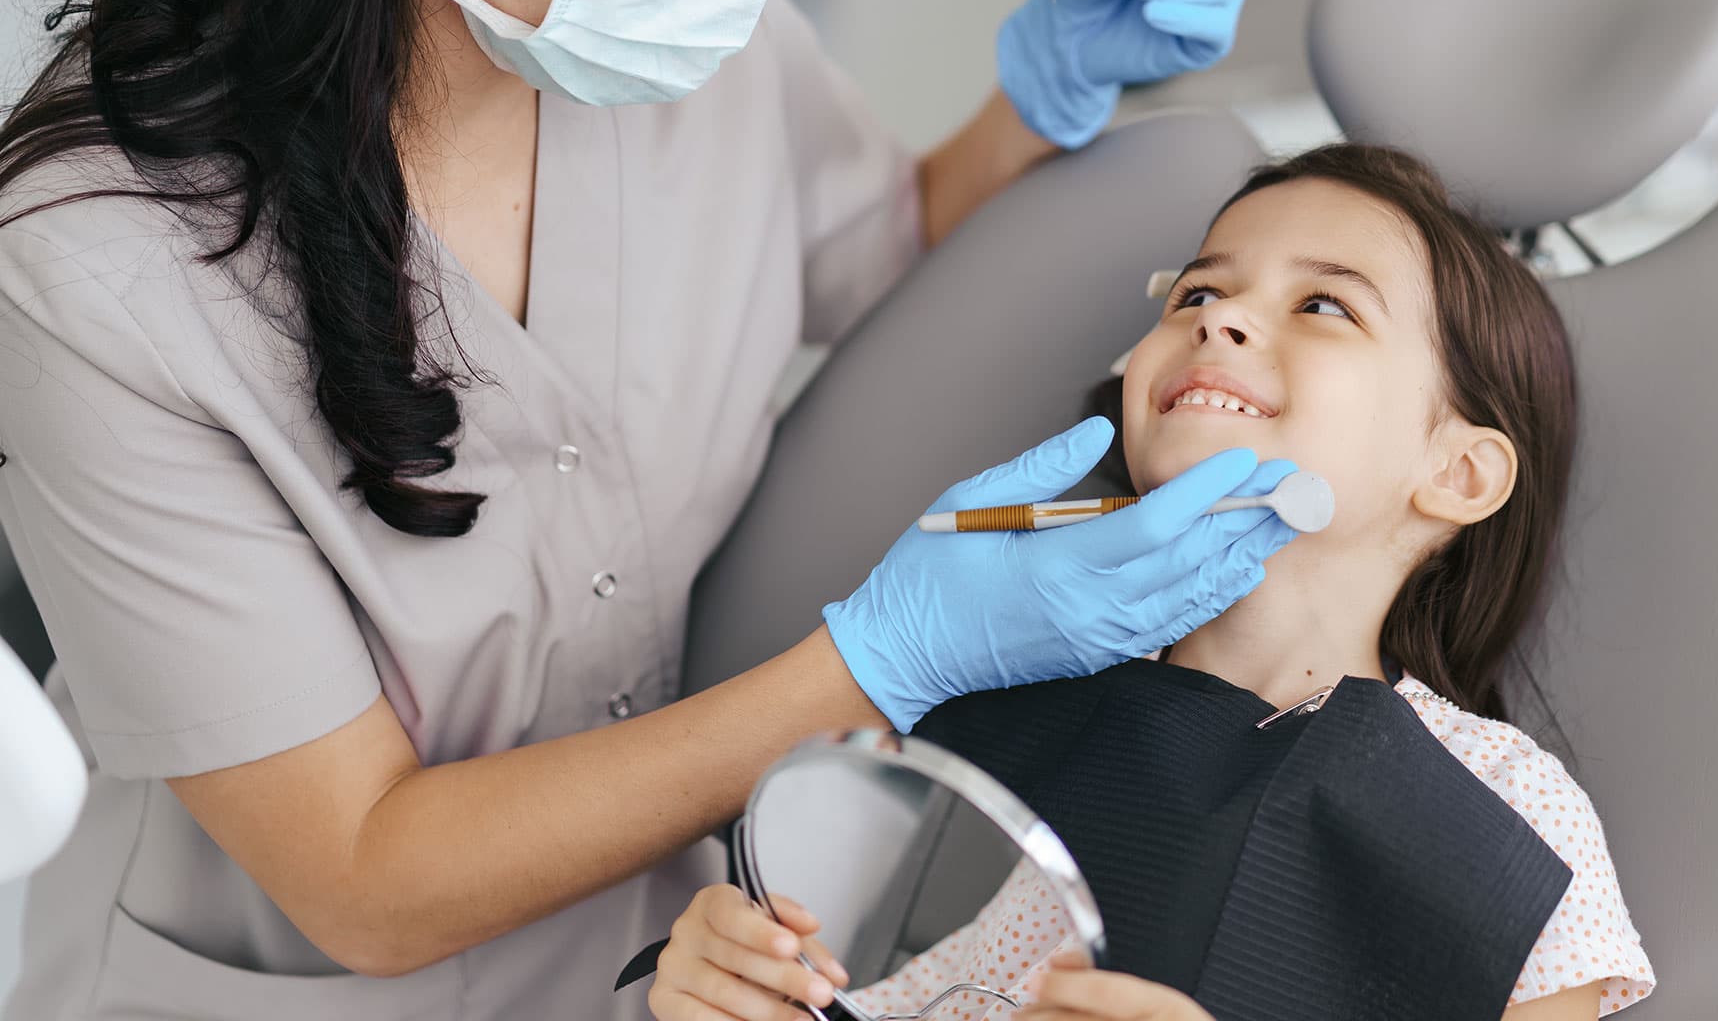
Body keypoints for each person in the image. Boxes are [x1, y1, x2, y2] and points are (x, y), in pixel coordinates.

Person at [0, 0, 1284, 1017]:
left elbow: (870, 249)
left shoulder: (670, 27)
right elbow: (361, 880)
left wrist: (1044, 95)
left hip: (686, 964)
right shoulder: (96, 264)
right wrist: (886, 661)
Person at [648, 145, 1653, 1021]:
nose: (1221, 324)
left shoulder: (1512, 813)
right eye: (1197, 295)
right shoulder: (985, 722)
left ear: (1458, 473)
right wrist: (730, 988)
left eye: (1323, 304)